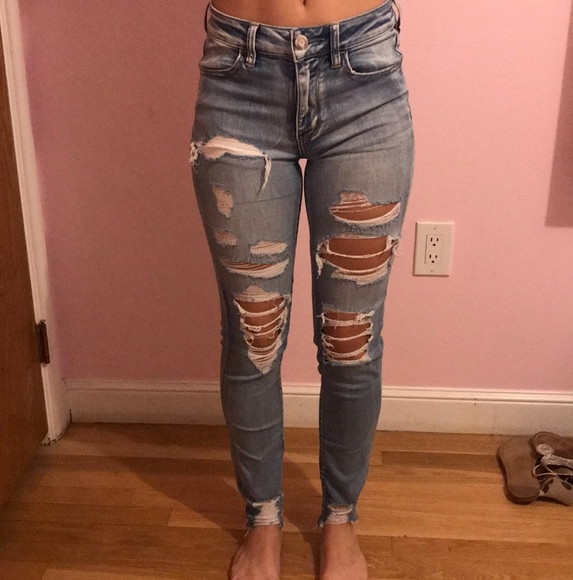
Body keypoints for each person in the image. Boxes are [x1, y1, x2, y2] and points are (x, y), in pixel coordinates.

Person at [189, 0, 414, 577]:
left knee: (351, 340)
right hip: (238, 77)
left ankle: (340, 517)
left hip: (364, 77)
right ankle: (263, 519)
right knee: (253, 338)